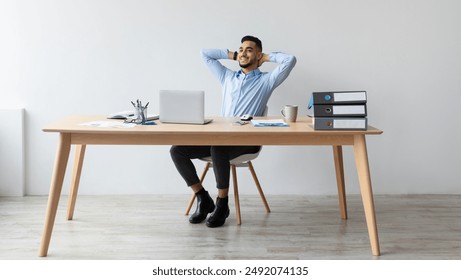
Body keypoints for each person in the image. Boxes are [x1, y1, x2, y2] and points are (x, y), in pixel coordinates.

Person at [170, 35, 296, 228]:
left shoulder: (266, 81)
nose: (243, 53)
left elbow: (290, 60)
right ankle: (203, 198)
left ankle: (222, 204)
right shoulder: (227, 76)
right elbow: (205, 54)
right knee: (177, 150)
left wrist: (267, 57)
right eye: (241, 49)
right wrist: (234, 54)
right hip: (218, 138)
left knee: (218, 148)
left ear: (258, 54)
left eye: (249, 50)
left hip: (246, 141)